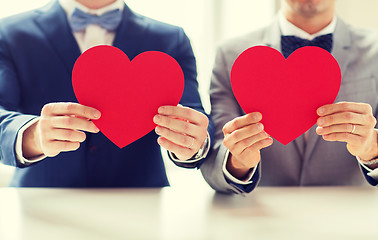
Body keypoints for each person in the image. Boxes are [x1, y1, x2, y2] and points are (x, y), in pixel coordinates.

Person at [0, 0, 213, 187]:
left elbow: (196, 117)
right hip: (40, 204)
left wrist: (192, 142)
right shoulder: (9, 33)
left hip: (141, 204)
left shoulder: (171, 39)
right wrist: (33, 135)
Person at [201, 0, 378, 194]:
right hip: (260, 217)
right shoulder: (230, 54)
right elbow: (214, 162)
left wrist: (372, 150)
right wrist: (238, 162)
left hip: (353, 216)